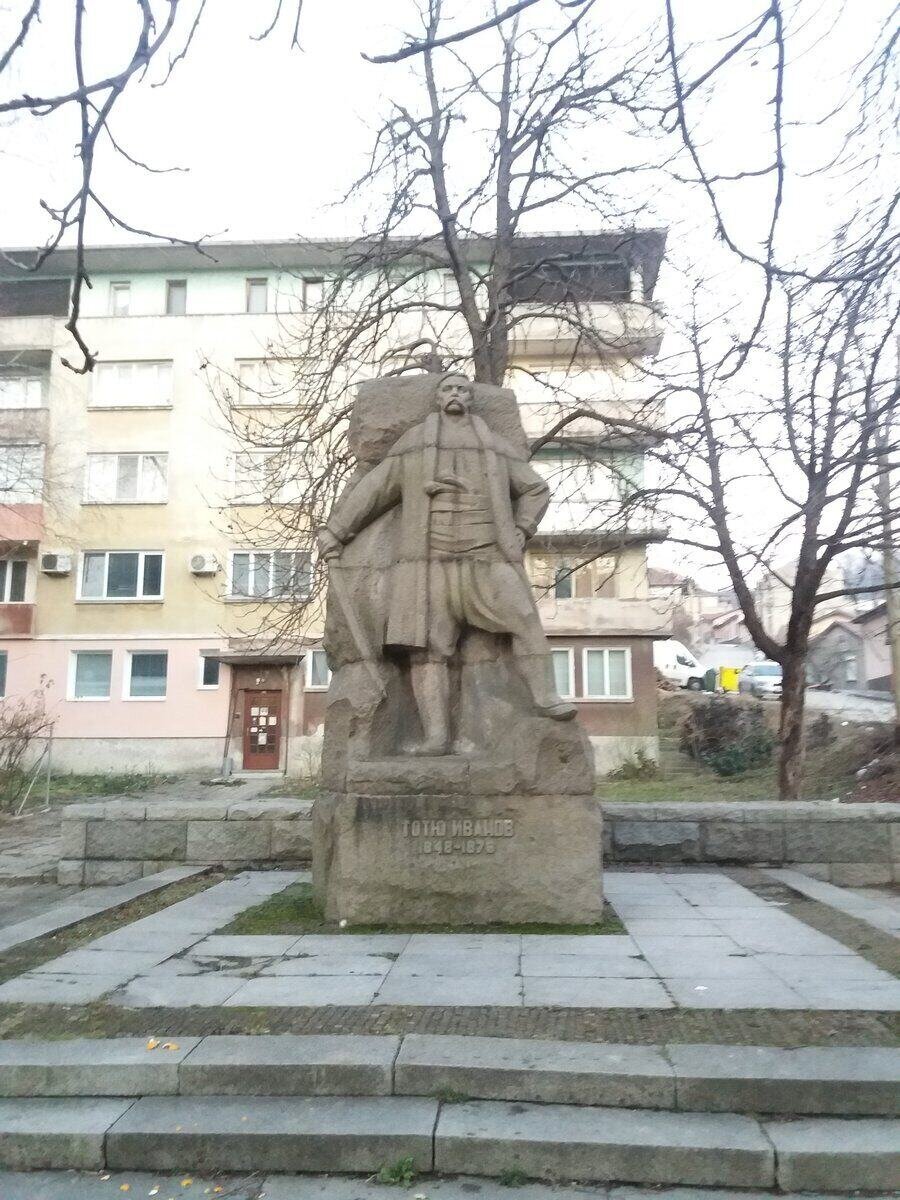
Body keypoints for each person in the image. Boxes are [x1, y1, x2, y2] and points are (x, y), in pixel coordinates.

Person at [319, 372, 575, 755]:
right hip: (429, 562)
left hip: (486, 556)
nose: (455, 394)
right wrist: (337, 531)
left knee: (524, 619)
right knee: (428, 650)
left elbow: (535, 487)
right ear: (438, 398)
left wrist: (523, 528)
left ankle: (545, 697)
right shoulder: (415, 442)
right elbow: (376, 488)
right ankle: (436, 737)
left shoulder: (493, 445)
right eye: (448, 388)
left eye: (462, 389)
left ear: (470, 399)